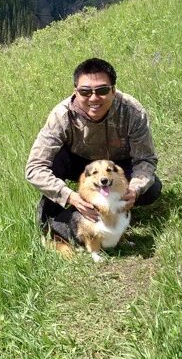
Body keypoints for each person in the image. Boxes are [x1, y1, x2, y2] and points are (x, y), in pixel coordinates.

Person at [25, 58, 162, 234]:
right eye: (85, 92)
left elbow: (146, 159)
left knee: (151, 190)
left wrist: (134, 189)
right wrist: (69, 196)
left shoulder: (132, 111)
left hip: (118, 166)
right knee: (56, 159)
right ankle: (55, 218)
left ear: (113, 90)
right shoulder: (61, 116)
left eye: (102, 90)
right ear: (76, 91)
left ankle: (116, 208)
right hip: (80, 165)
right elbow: (34, 168)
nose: (94, 98)